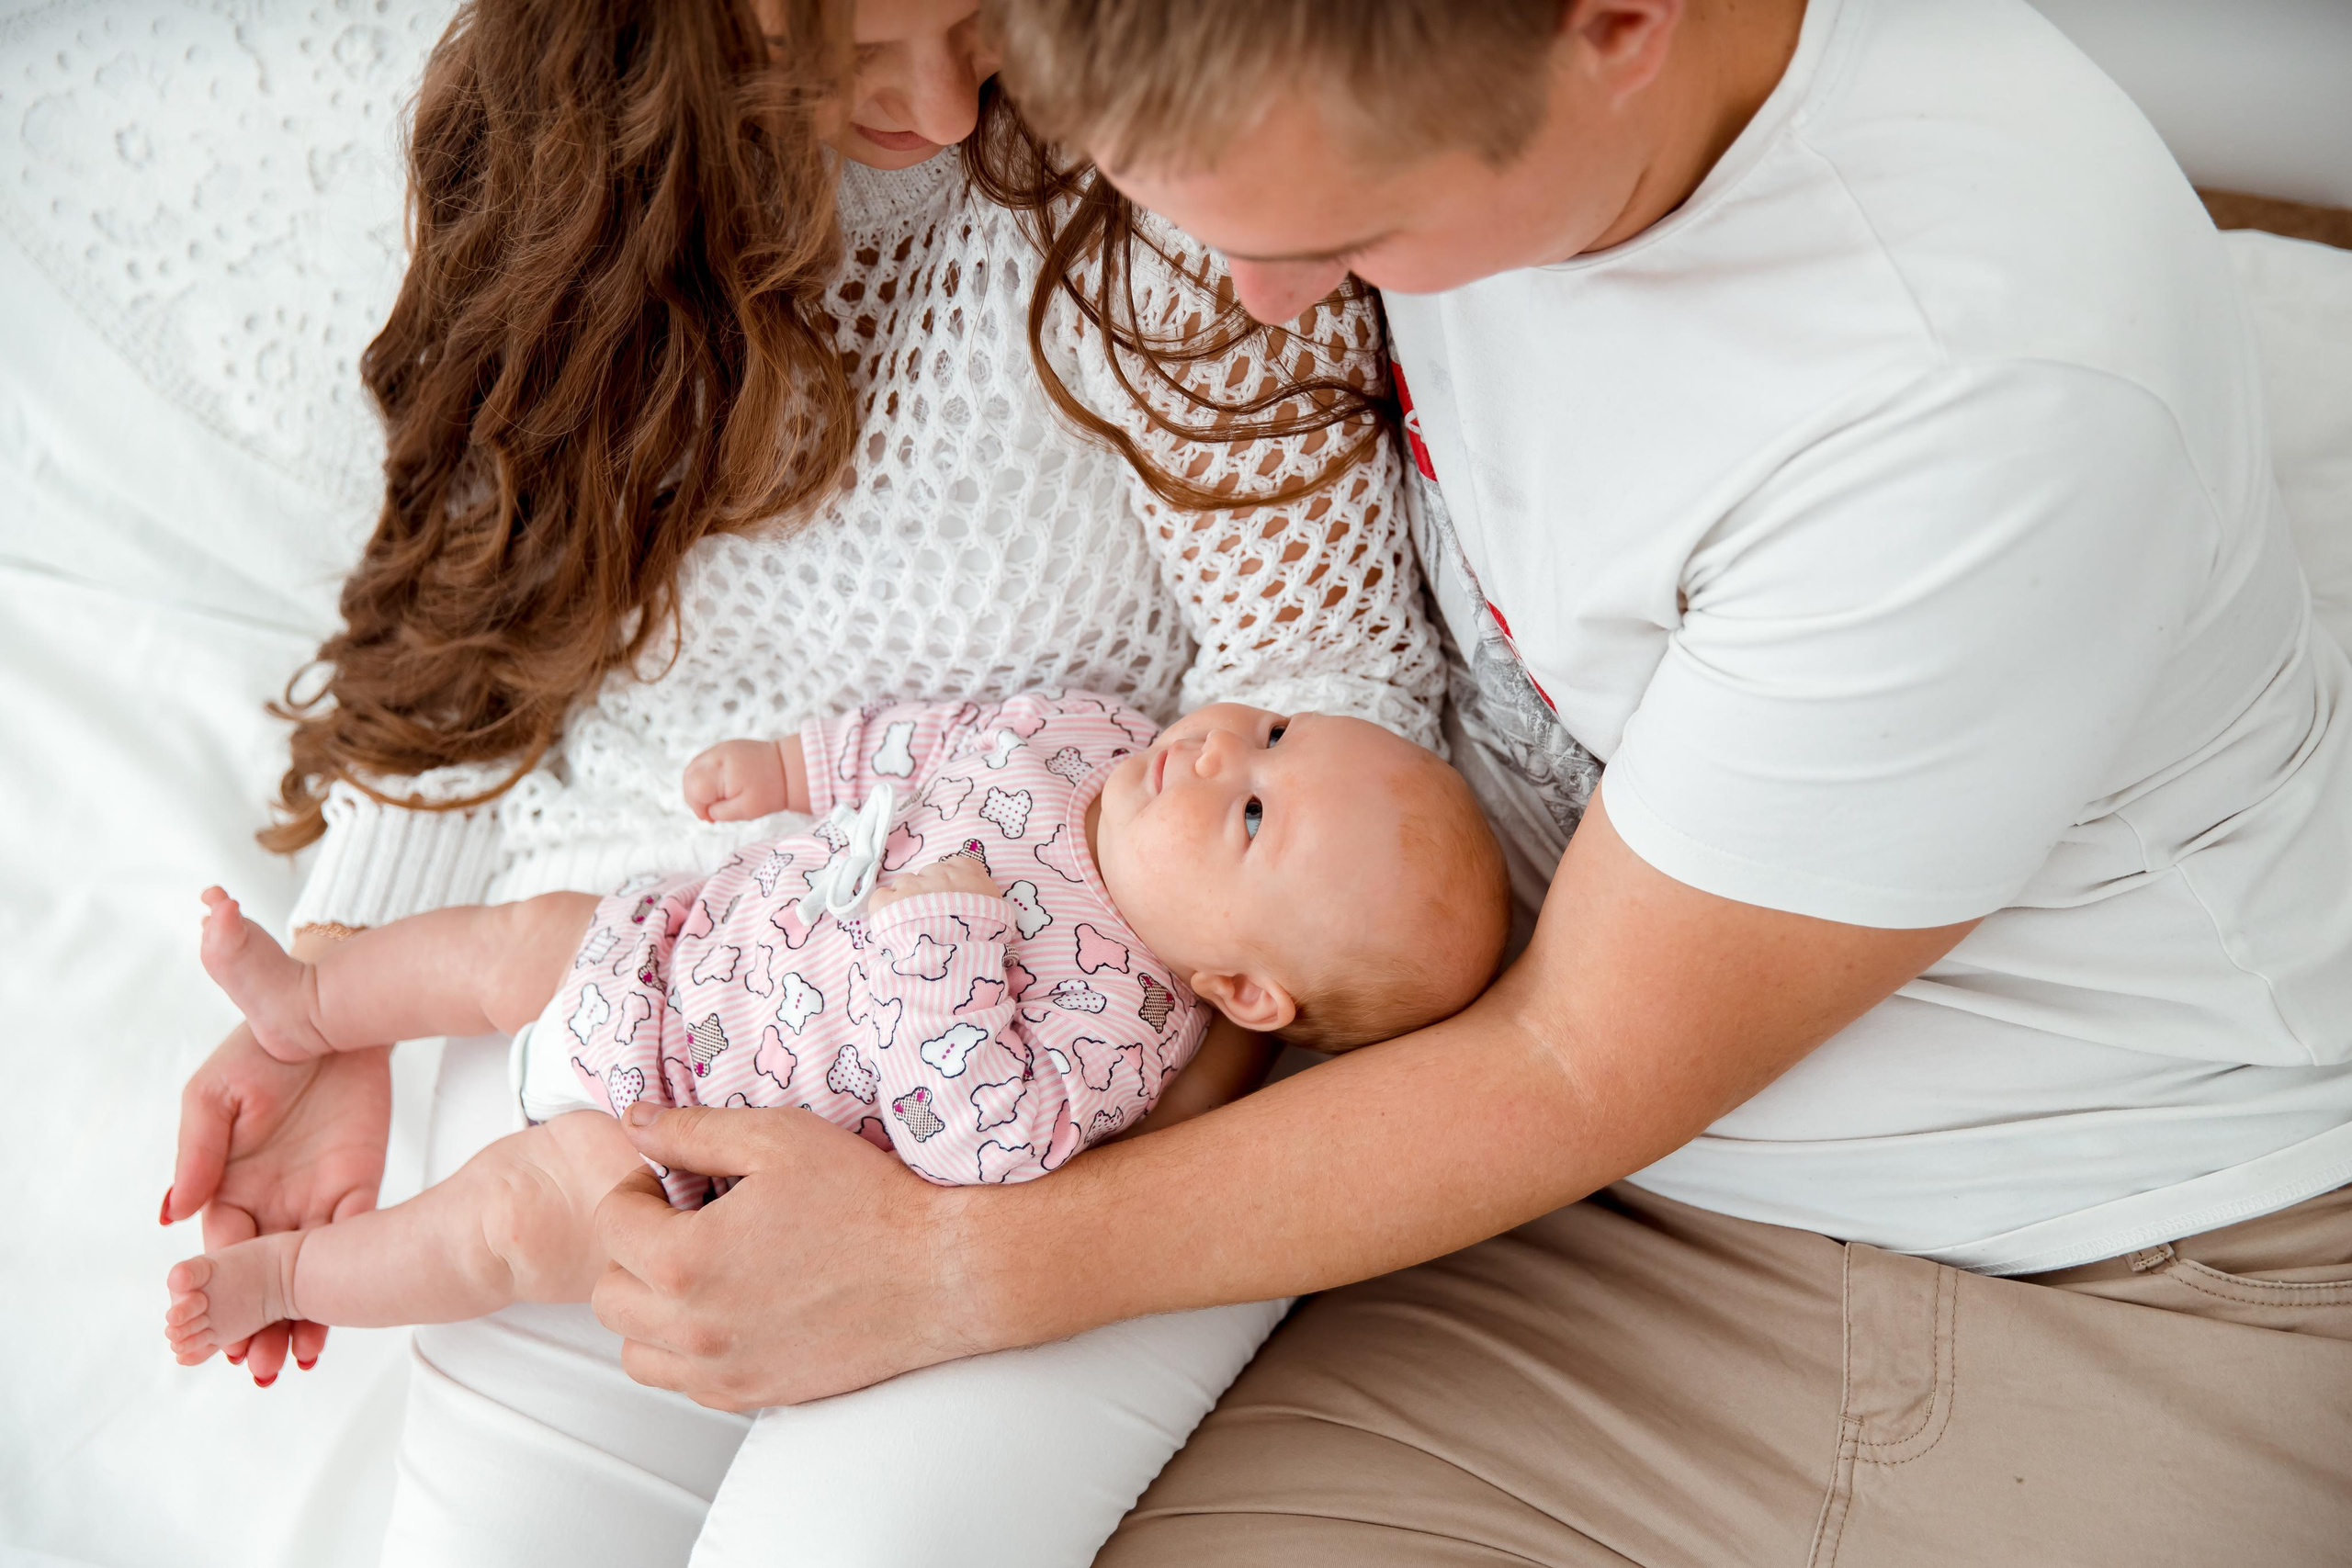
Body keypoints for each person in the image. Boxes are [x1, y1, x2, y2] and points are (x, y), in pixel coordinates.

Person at [569, 0, 2352, 1561]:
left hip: (2080, 1263)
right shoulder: (1367, 101)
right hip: (1582, 1118)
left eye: (1349, 234)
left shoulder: (1972, 392)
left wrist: (939, 1266)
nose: (1260, 305)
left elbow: (1577, 1057)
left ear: (1615, 20)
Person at [161, 1, 1447, 1562]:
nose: (953, 108)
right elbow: (492, 602)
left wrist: (981, 1247)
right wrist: (342, 990)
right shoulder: (571, 167)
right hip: (652, 997)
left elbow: (1328, 680)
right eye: (859, 39)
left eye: (989, 23)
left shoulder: (1162, 171)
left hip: (1069, 1115)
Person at [166, 693, 1504, 1354]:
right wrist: (794, 769)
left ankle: (284, 1285)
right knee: (514, 939)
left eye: (1255, 814)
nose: (1222, 754)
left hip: (671, 1151)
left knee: (506, 1233)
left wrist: (944, 937)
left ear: (1247, 991)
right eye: (1272, 729)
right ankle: (312, 1004)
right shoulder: (1092, 739)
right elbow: (936, 736)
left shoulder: (1125, 1031)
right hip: (671, 953)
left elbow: (985, 1140)